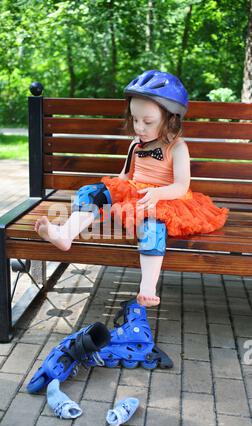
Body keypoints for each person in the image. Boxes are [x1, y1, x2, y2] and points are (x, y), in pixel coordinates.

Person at [34, 70, 229, 308]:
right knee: (92, 193)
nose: (139, 127)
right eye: (135, 120)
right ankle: (66, 234)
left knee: (152, 226)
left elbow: (181, 186)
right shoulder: (136, 144)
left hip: (164, 197)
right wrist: (108, 196)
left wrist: (157, 193)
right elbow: (125, 176)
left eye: (147, 122)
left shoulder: (177, 147)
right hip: (134, 190)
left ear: (172, 119)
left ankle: (147, 287)